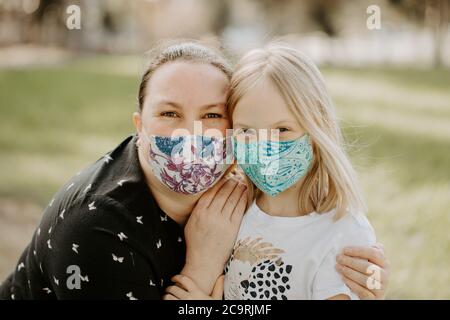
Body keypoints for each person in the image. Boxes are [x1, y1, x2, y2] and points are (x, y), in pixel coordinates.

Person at [0, 41, 389, 300]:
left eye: (212, 115)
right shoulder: (96, 230)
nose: (192, 134)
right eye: (170, 113)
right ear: (140, 127)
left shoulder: (237, 189)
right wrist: (200, 270)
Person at [165, 42, 389, 300]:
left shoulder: (344, 235)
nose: (263, 146)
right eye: (246, 131)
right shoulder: (229, 209)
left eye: (281, 130)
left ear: (317, 130)